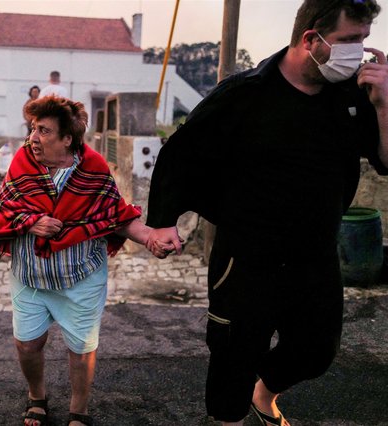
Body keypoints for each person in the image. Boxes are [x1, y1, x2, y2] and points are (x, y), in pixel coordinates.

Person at [145, 0, 388, 425]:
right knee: (232, 360)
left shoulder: (352, 96)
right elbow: (180, 153)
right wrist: (163, 222)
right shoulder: (244, 94)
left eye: (365, 40)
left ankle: (264, 393)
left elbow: (386, 160)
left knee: (316, 352)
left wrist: (384, 105)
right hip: (246, 259)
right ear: (311, 39)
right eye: (351, 40)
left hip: (316, 257)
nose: (360, 51)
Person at [0, 95, 173, 426]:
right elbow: (3, 212)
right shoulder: (20, 163)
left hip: (81, 278)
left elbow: (115, 216)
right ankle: (37, 396)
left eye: (44, 131)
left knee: (81, 349)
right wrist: (29, 222)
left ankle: (79, 411)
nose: (33, 138)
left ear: (67, 140)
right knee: (27, 344)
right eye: (33, 128)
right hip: (30, 278)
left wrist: (149, 237)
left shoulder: (94, 170)